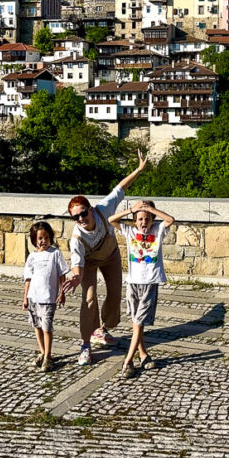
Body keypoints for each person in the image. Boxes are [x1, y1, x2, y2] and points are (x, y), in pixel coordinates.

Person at [62, 152, 148, 366]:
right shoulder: (77, 238)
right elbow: (77, 267)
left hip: (110, 256)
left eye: (83, 213)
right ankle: (85, 345)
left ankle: (103, 329)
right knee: (89, 299)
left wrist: (138, 170)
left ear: (90, 210)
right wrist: (75, 278)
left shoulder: (103, 209)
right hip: (89, 262)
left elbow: (120, 189)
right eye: (76, 217)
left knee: (114, 293)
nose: (81, 219)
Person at [107, 200, 174, 378]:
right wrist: (131, 210)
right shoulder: (130, 232)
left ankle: (127, 361)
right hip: (133, 282)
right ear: (135, 221)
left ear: (152, 219)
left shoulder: (158, 231)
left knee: (139, 322)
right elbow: (111, 220)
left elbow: (170, 220)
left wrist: (151, 209)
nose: (143, 222)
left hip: (150, 282)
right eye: (139, 219)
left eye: (147, 219)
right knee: (136, 322)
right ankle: (143, 354)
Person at [22, 221, 70, 372]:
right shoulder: (32, 257)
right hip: (33, 298)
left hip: (48, 298)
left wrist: (62, 292)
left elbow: (62, 274)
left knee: (47, 327)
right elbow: (28, 278)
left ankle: (48, 356)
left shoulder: (55, 254)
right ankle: (42, 352)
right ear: (34, 240)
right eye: (40, 238)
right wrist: (25, 297)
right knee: (37, 326)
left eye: (46, 237)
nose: (43, 241)